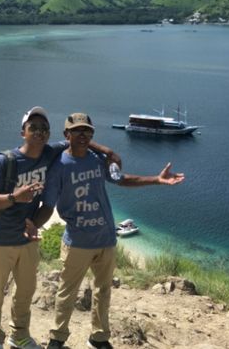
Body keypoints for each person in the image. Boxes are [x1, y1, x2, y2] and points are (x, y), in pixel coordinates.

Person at [37, 112, 185, 349]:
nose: (83, 135)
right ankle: (57, 338)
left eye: (88, 131)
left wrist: (156, 180)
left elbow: (122, 178)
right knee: (67, 292)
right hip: (77, 241)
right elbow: (48, 204)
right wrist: (30, 225)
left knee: (103, 292)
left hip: (106, 239)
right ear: (66, 135)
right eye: (77, 131)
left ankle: (98, 338)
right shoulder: (59, 167)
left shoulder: (96, 159)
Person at [0, 107, 120, 349]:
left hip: (27, 239)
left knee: (24, 293)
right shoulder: (4, 161)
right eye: (33, 127)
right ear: (22, 132)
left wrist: (108, 151)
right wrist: (15, 197)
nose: (39, 132)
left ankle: (19, 336)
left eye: (44, 128)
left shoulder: (50, 152)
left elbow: (80, 140)